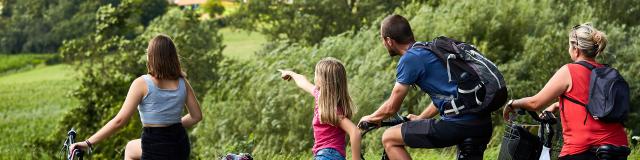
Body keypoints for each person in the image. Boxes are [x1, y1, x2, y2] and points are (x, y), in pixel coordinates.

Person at [358, 14, 493, 160]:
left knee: (389, 138)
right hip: (482, 122)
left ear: (389, 41)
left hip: (460, 124)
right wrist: (421, 118)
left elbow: (391, 107)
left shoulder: (410, 59)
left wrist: (371, 118)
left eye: (382, 40)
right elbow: (448, 97)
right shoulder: (430, 51)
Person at [502, 23, 629, 160]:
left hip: (583, 151)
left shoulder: (569, 71)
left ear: (576, 49)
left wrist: (512, 104)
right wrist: (558, 105)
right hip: (617, 148)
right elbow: (594, 105)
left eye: (569, 46)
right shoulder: (605, 73)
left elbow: (535, 103)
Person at [70, 34, 203, 160]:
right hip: (180, 147)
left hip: (156, 149)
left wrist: (88, 143)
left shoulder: (142, 83)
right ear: (173, 56)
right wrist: (172, 125)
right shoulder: (182, 82)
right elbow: (196, 116)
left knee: (129, 149)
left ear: (150, 57)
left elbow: (119, 121)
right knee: (131, 147)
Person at [278, 57, 361, 160]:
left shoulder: (333, 111)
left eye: (316, 74)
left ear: (323, 81)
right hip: (328, 155)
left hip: (327, 155)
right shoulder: (320, 96)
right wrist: (290, 73)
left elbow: (355, 132)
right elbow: (303, 82)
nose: (314, 76)